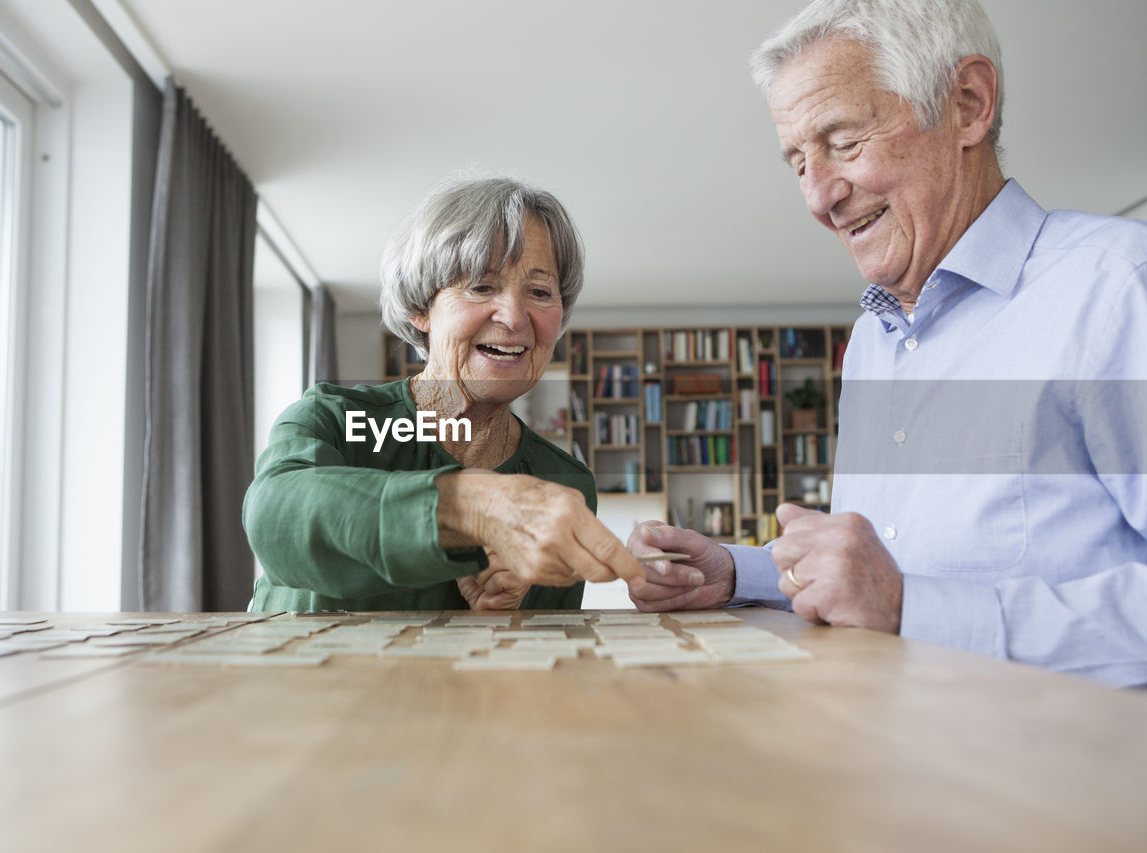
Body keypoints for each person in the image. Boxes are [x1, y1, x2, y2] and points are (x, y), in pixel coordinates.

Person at [629, 0, 1147, 686]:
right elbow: (875, 569)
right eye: (798, 163)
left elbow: (896, 595)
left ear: (967, 104)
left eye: (843, 142)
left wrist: (914, 607)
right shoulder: (873, 340)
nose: (819, 198)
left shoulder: (1116, 287)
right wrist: (734, 571)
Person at [245, 177, 645, 612]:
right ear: (422, 309)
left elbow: (543, 660)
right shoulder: (336, 420)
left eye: (540, 292)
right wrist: (470, 506)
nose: (514, 316)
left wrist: (505, 615)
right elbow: (273, 520)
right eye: (481, 286)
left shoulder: (565, 483)